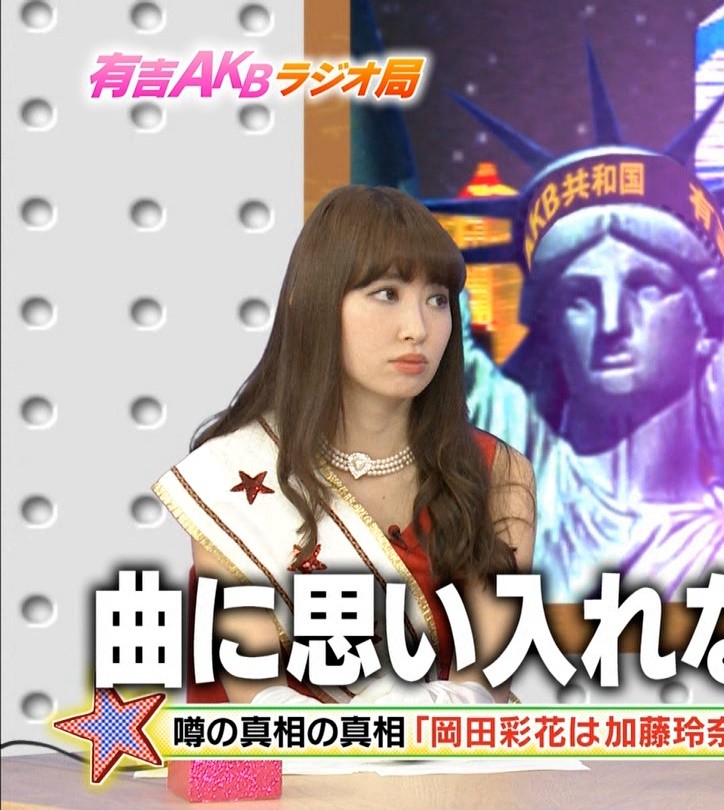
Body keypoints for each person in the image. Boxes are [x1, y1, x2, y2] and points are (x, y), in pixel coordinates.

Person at [153, 185, 536, 706]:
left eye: (437, 299)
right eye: (386, 294)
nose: (417, 328)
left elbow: (487, 681)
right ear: (311, 304)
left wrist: (412, 718)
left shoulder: (496, 471)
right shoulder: (232, 476)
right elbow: (257, 696)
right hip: (281, 758)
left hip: (448, 757)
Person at [463, 148, 724, 601]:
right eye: (580, 298)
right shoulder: (520, 491)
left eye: (646, 287)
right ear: (553, 333)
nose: (612, 322)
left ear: (706, 328)